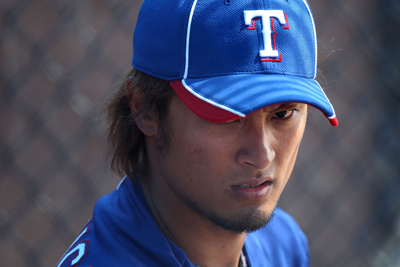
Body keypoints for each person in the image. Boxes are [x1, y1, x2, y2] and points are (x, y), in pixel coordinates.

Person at [58, 0, 338, 266]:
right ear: (145, 108)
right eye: (227, 117)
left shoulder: (282, 244)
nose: (262, 155)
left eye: (282, 114)